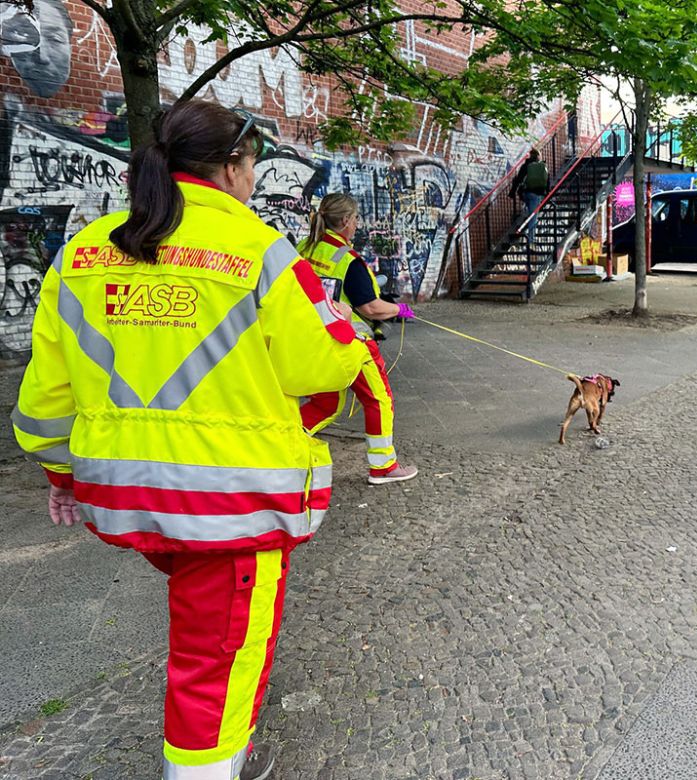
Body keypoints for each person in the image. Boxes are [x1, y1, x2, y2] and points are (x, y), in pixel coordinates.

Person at [10, 100, 370, 780]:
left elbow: (45, 395)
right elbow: (320, 366)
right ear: (232, 167)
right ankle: (210, 767)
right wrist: (346, 329)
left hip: (122, 494)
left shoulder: (82, 250)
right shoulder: (260, 251)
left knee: (208, 638)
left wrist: (60, 473)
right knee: (222, 655)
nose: (257, 178)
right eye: (255, 164)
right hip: (229, 499)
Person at [298, 193, 419, 485]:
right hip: (350, 342)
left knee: (325, 401)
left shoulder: (305, 248)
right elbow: (370, 308)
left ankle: (280, 442)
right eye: (355, 220)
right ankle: (384, 466)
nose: (357, 225)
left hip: (311, 336)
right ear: (345, 222)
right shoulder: (347, 260)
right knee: (378, 398)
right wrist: (399, 309)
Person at [510, 149, 549, 244]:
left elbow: (518, 179)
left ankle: (524, 222)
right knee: (533, 216)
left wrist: (512, 192)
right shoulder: (542, 167)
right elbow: (547, 181)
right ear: (538, 156)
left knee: (529, 212)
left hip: (525, 194)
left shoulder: (525, 166)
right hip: (536, 194)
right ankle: (531, 240)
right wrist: (547, 194)